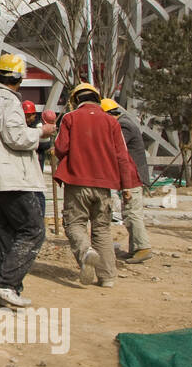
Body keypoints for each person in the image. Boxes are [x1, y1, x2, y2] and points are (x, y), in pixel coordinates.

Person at [0, 54, 56, 307]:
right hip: (13, 177)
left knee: (8, 232)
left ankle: (9, 290)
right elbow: (16, 137)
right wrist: (41, 131)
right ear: (19, 78)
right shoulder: (8, 101)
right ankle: (5, 283)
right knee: (33, 230)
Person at [54, 85, 141, 287]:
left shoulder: (70, 118)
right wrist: (126, 187)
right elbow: (122, 156)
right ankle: (108, 277)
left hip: (77, 183)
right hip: (104, 186)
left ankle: (85, 252)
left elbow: (61, 147)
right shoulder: (112, 122)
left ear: (76, 100)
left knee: (75, 224)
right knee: (101, 229)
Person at [103, 98, 152, 263]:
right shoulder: (124, 122)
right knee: (129, 213)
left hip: (133, 176)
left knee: (133, 213)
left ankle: (143, 247)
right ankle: (135, 249)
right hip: (130, 176)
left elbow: (113, 145)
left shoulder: (124, 126)